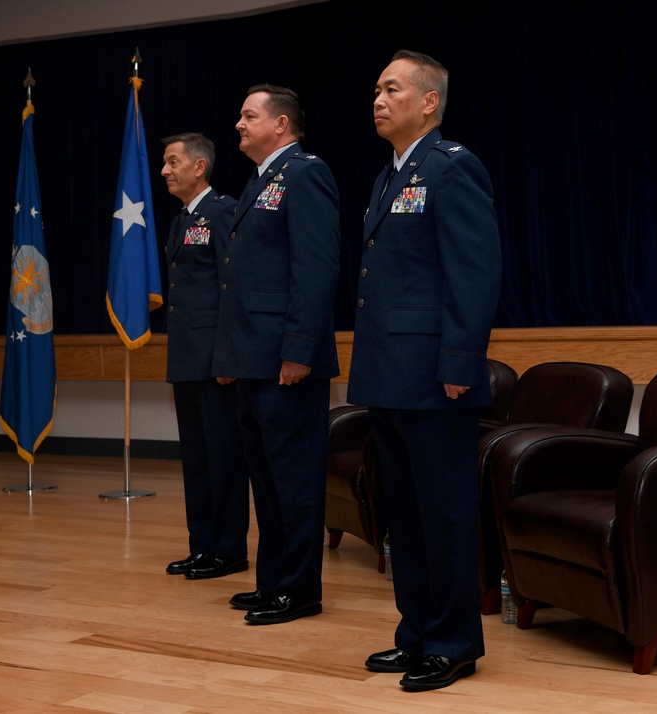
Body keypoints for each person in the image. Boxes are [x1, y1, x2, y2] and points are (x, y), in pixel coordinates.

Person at [347, 50, 502, 690]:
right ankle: (415, 634)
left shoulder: (451, 168)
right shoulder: (388, 177)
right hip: (389, 373)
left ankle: (454, 642)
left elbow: (475, 272)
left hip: (436, 376)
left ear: (428, 101)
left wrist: (461, 361)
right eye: (376, 88)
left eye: (391, 88)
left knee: (444, 515)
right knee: (404, 517)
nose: (378, 99)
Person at [216, 84, 340, 624]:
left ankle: (300, 589)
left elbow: (315, 271)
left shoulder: (306, 173)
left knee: (293, 479)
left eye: (249, 116)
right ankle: (273, 582)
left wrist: (299, 351)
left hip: (286, 361)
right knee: (264, 479)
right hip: (251, 357)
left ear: (281, 124)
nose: (239, 125)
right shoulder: (258, 182)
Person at [160, 132, 251, 579]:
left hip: (215, 361)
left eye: (173, 161)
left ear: (199, 167)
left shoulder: (223, 212)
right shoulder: (180, 221)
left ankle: (230, 548)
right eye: (164, 163)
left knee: (224, 458)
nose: (165, 170)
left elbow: (230, 292)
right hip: (185, 358)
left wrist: (227, 357)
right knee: (196, 458)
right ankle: (203, 545)